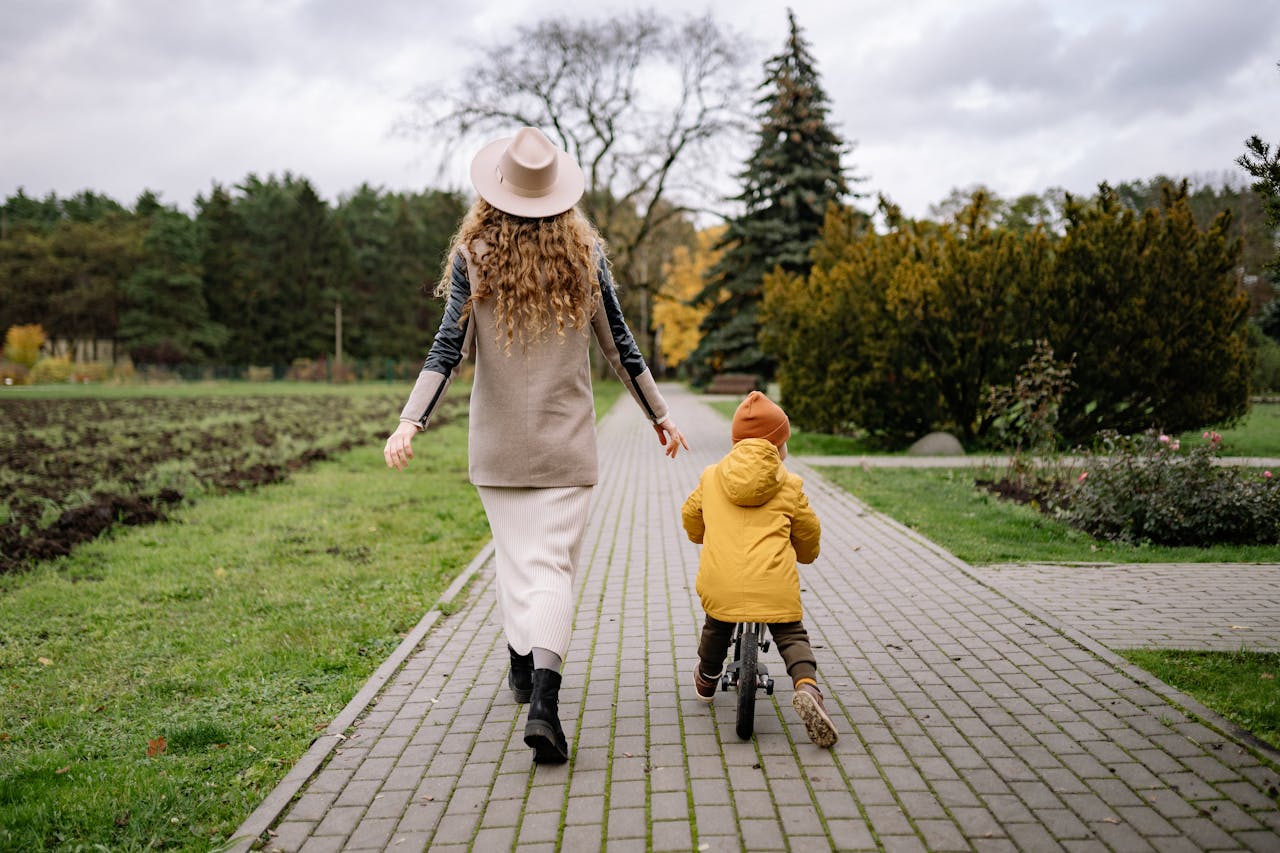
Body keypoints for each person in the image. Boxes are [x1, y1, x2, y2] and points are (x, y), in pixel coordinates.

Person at [384, 126, 688, 765]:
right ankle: (543, 698)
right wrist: (658, 414)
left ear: (496, 193)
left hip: (495, 451)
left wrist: (411, 421)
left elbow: (449, 350)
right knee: (549, 570)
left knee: (518, 561)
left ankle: (522, 664)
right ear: (559, 196)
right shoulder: (586, 257)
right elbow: (621, 348)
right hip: (566, 448)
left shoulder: (475, 255)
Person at [681, 391, 838, 747]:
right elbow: (809, 531)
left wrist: (701, 533)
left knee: (717, 623)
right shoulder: (789, 484)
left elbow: (691, 516)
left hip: (721, 582)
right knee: (791, 634)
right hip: (774, 583)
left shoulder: (712, 476)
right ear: (778, 446)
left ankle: (706, 678)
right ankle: (808, 687)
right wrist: (806, 553)